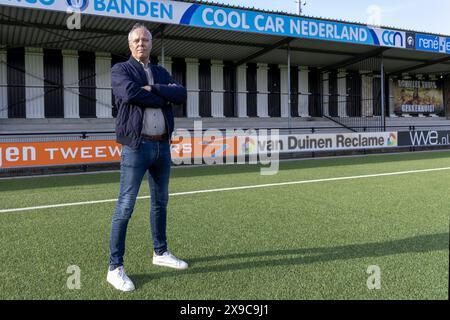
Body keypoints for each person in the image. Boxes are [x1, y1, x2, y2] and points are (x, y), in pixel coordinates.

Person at [107, 23, 188, 292]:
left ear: (151, 44)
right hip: (136, 147)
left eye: (145, 39)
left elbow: (181, 93)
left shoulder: (160, 71)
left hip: (161, 147)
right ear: (130, 45)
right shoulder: (120, 70)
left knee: (160, 203)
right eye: (136, 40)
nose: (141, 43)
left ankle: (160, 252)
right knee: (125, 206)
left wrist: (155, 90)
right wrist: (161, 95)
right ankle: (114, 267)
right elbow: (129, 93)